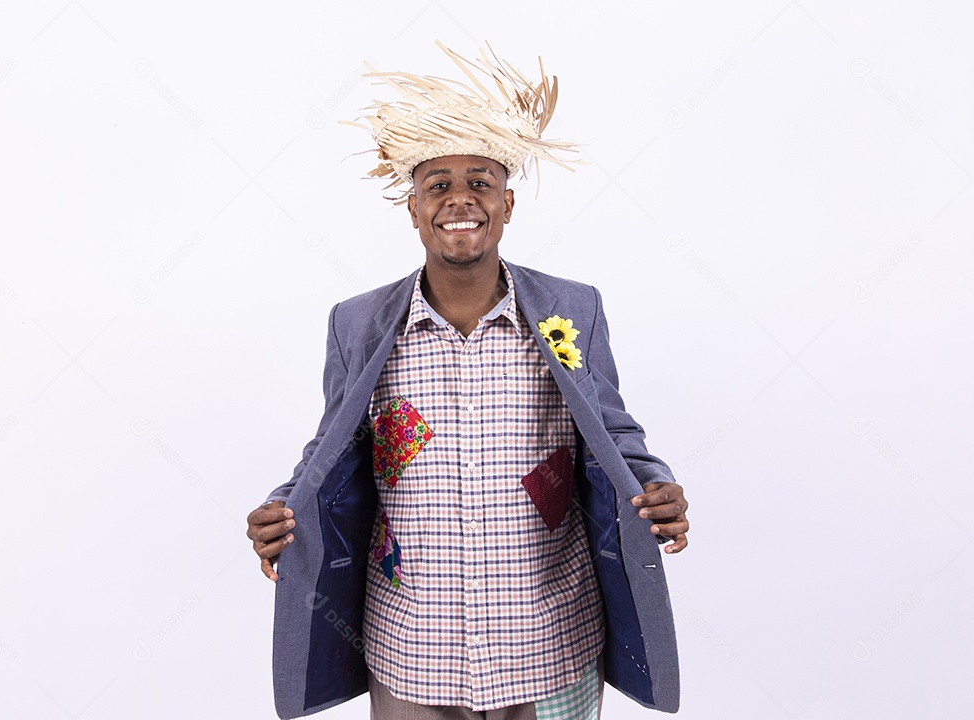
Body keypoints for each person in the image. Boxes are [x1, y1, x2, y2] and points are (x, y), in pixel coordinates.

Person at [247, 42, 690, 720]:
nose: (460, 199)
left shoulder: (574, 310)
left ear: (507, 205)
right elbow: (330, 449)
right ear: (414, 208)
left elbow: (615, 433)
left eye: (479, 182)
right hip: (411, 651)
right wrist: (286, 506)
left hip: (549, 646)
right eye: (439, 185)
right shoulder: (359, 323)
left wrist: (653, 485)